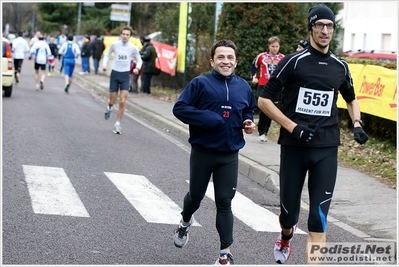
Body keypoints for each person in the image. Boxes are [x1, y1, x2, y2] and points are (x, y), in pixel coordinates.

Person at [257, 4, 369, 264]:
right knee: (288, 214)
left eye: (330, 26)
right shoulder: (293, 62)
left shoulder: (340, 67)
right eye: (320, 25)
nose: (325, 30)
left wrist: (357, 124)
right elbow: (264, 100)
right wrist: (292, 127)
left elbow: (351, 100)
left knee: (318, 219)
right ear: (311, 28)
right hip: (294, 148)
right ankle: (286, 236)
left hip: (326, 148)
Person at [172, 39, 257, 265]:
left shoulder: (244, 87)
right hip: (203, 152)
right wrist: (208, 118)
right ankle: (185, 222)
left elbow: (249, 108)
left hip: (229, 154)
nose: (225, 61)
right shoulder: (200, 83)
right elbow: (179, 108)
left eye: (230, 57)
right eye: (220, 57)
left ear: (236, 62)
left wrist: (248, 122)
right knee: (196, 197)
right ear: (212, 61)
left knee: (224, 202)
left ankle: (224, 254)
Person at [102, 26, 142, 134]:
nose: (125, 36)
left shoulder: (133, 47)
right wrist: (105, 64)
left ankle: (117, 124)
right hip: (115, 74)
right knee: (112, 101)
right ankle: (110, 107)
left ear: (130, 36)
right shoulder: (115, 45)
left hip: (125, 75)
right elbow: (107, 55)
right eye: (123, 34)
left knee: (123, 101)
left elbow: (139, 60)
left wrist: (137, 68)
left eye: (127, 34)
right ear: (121, 34)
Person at [251, 36, 285, 142]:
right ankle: (261, 131)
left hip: (276, 86)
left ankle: (265, 131)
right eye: (272, 46)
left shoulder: (283, 58)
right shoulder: (261, 56)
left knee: (271, 109)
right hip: (263, 84)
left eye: (276, 46)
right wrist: (254, 77)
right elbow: (254, 66)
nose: (275, 48)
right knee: (263, 108)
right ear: (269, 46)